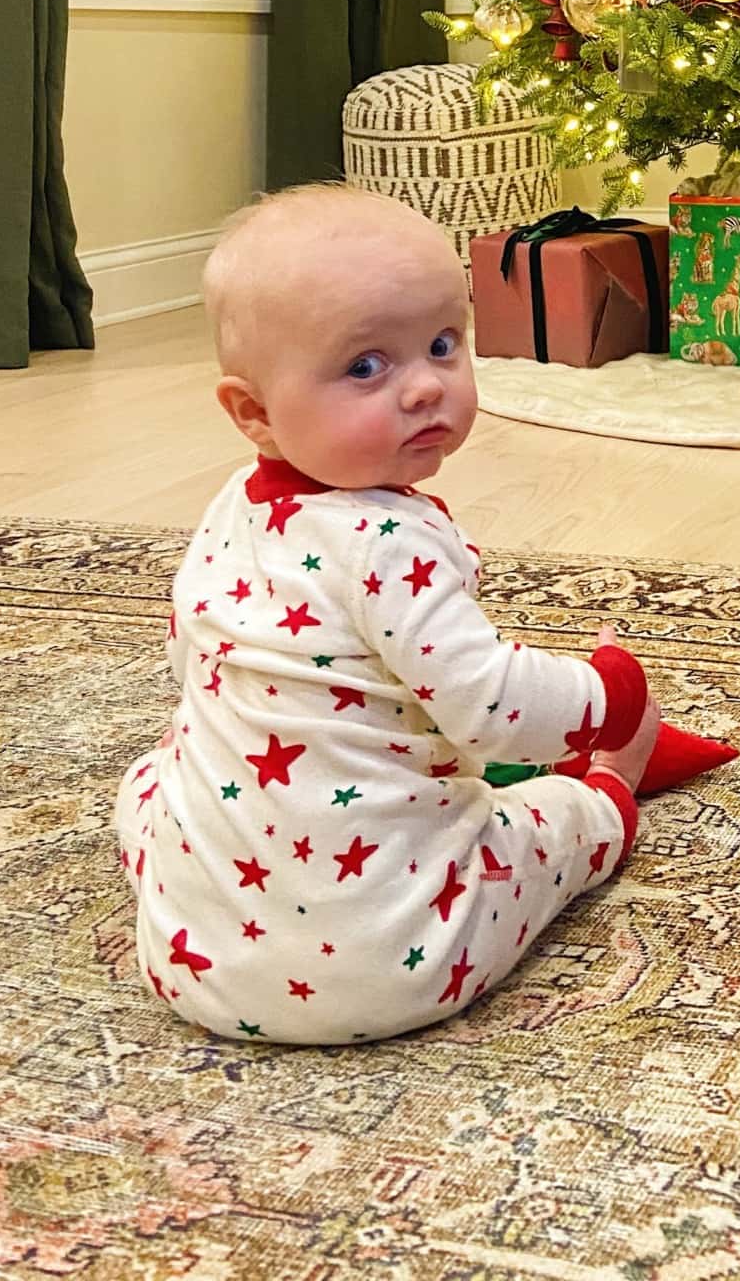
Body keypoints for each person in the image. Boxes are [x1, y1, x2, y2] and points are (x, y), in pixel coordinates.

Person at [114, 184, 660, 1044]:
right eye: (366, 366)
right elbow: (490, 707)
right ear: (253, 411)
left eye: (443, 345)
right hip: (400, 960)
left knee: (154, 783)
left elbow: (193, 656)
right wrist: (610, 698)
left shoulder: (235, 508)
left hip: (189, 962)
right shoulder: (387, 541)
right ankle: (608, 804)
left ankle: (210, 889)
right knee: (547, 823)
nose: (424, 388)